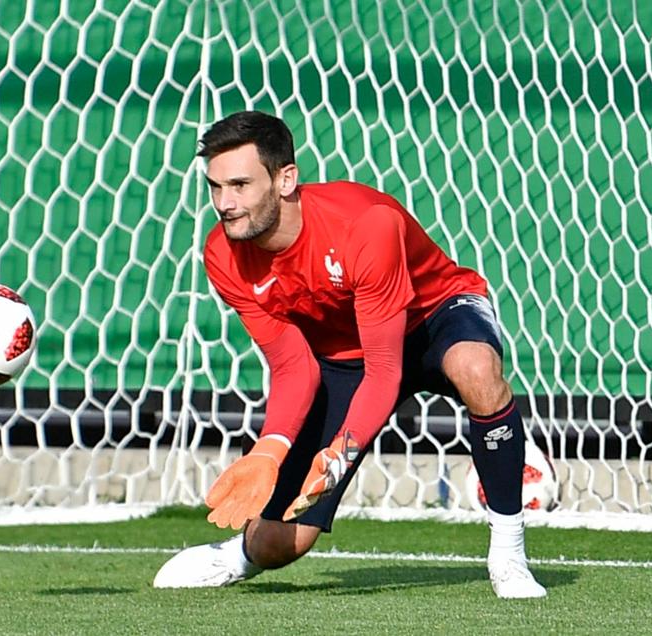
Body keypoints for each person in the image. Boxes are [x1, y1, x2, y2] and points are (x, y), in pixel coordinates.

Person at [152, 111, 546, 599]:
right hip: (344, 351)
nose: (225, 204)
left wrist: (342, 452)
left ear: (286, 178)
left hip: (433, 316)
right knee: (282, 543)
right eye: (215, 187)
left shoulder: (364, 226)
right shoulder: (223, 254)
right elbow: (294, 367)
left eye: (239, 185)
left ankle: (509, 552)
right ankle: (235, 555)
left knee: (476, 368)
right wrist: (268, 451)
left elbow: (385, 370)